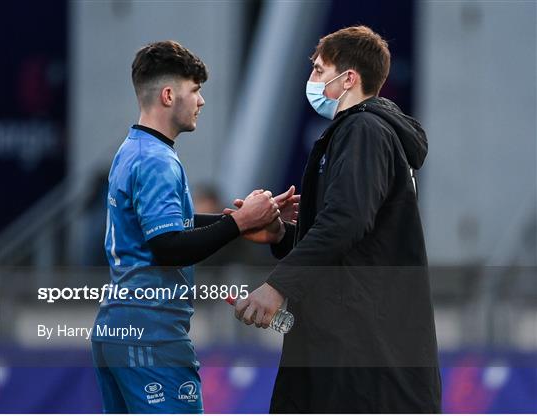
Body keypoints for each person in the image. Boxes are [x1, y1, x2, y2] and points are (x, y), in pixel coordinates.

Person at [234, 26, 442, 413]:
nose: (310, 80)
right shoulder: (363, 132)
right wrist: (283, 235)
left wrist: (277, 286)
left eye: (318, 70)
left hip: (362, 356)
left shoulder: (364, 131)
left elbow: (346, 221)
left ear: (348, 78)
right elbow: (360, 240)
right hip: (354, 346)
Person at [90, 40, 296, 414]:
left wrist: (241, 225)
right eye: (195, 90)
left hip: (117, 327)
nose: (201, 101)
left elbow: (156, 228)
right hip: (152, 332)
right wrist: (237, 222)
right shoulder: (158, 160)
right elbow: (169, 247)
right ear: (169, 95)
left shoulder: (132, 148)